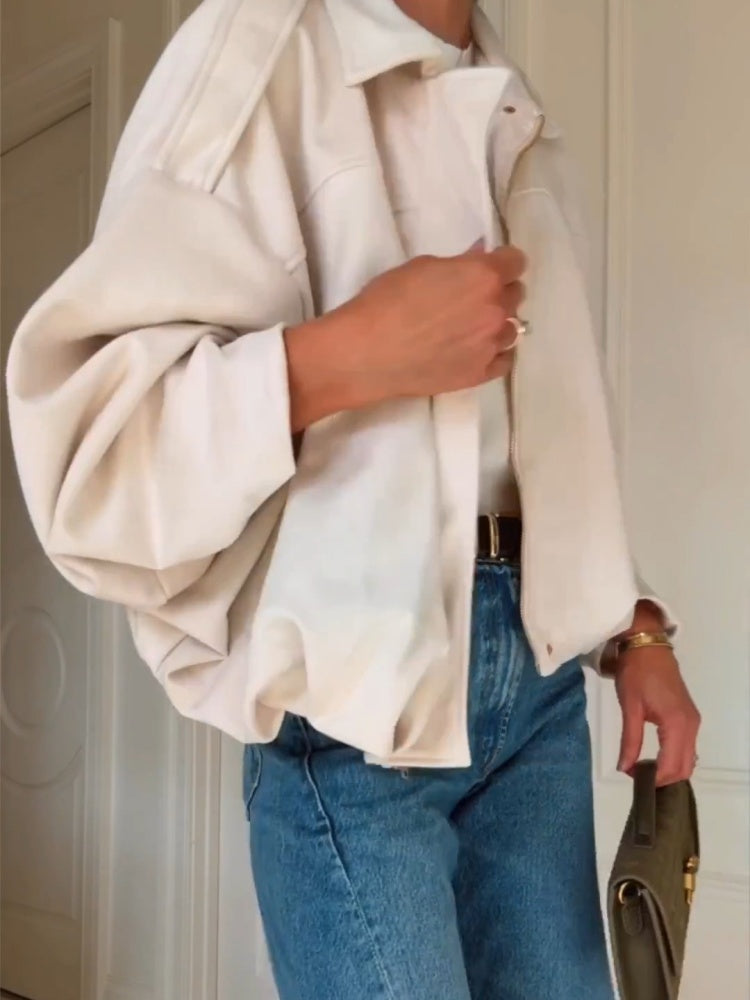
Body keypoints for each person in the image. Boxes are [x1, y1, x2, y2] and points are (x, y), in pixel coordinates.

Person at [6, 0, 701, 997]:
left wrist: (631, 625)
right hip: (357, 703)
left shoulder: (513, 101)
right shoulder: (257, 49)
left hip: (540, 704)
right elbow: (93, 459)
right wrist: (343, 356)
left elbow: (540, 433)